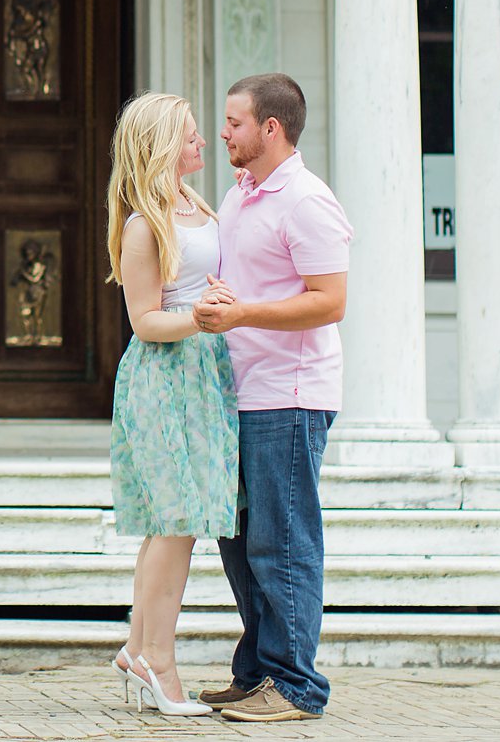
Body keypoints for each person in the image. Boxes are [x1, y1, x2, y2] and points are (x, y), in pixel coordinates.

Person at [192, 73, 350, 723]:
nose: (223, 132)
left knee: (281, 542)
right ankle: (257, 670)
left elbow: (330, 300)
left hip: (290, 395)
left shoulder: (307, 201)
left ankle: (295, 687)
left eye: (232, 123)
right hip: (241, 395)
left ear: (270, 129)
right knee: (240, 539)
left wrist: (244, 313)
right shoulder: (239, 198)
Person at [103, 92, 241, 718]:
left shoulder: (199, 207)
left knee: (179, 524)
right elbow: (145, 321)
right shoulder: (143, 224)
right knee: (177, 519)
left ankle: (140, 649)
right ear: (161, 144)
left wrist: (213, 300)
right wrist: (202, 317)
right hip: (163, 377)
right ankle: (157, 658)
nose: (202, 142)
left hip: (204, 372)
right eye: (189, 134)